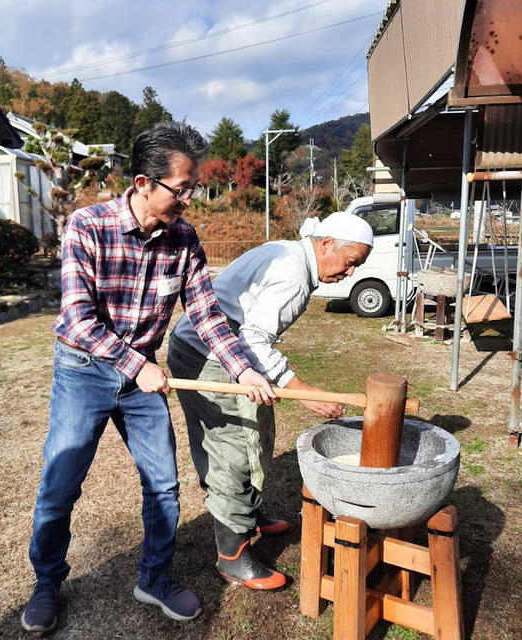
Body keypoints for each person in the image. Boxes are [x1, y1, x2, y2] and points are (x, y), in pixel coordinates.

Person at [21, 122, 278, 633]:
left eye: (192, 188)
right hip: (85, 368)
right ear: (143, 182)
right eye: (181, 189)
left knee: (162, 484)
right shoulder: (87, 226)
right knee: (61, 484)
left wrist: (244, 368)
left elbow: (206, 315)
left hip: (143, 374)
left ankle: (154, 578)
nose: (189, 200)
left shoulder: (183, 238)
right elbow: (77, 317)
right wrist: (136, 365)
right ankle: (46, 581)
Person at [167, 212, 373, 590]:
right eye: (350, 263)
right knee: (232, 452)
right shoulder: (294, 273)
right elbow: (253, 340)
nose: (349, 274)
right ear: (326, 244)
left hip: (207, 348)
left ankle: (252, 512)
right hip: (208, 358)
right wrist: (305, 392)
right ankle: (232, 557)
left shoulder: (288, 252)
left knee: (256, 437)